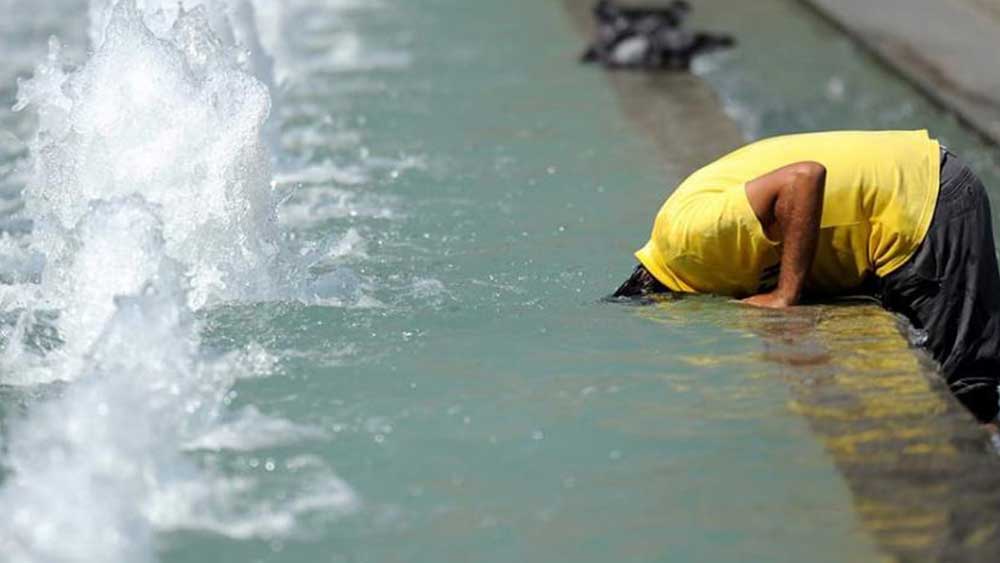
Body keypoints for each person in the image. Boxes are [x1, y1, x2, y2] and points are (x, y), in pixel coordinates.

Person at [615, 130, 1000, 424]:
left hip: (923, 202)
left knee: (967, 396)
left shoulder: (689, 242)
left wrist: (785, 294)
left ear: (662, 300)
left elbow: (804, 178)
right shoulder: (684, 244)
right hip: (908, 193)